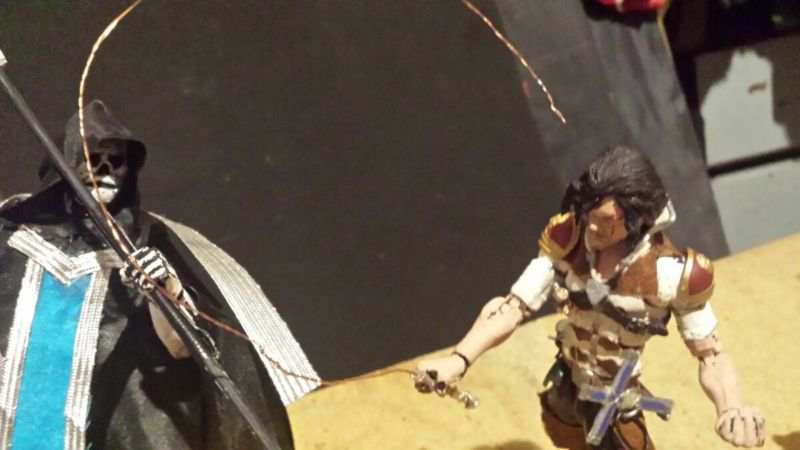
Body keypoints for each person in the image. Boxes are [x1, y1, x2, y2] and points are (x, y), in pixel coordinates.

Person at [0, 100, 317, 449]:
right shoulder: (15, 239)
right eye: (93, 158)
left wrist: (165, 290)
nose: (104, 169)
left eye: (115, 160)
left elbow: (180, 346)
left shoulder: (142, 246)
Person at [413, 146, 765, 449]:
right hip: (568, 379)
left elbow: (710, 355)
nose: (594, 228)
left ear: (638, 217)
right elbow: (511, 307)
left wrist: (731, 408)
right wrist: (458, 360)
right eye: (590, 216)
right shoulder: (569, 240)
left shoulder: (671, 274)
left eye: (606, 220)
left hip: (614, 397)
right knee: (562, 431)